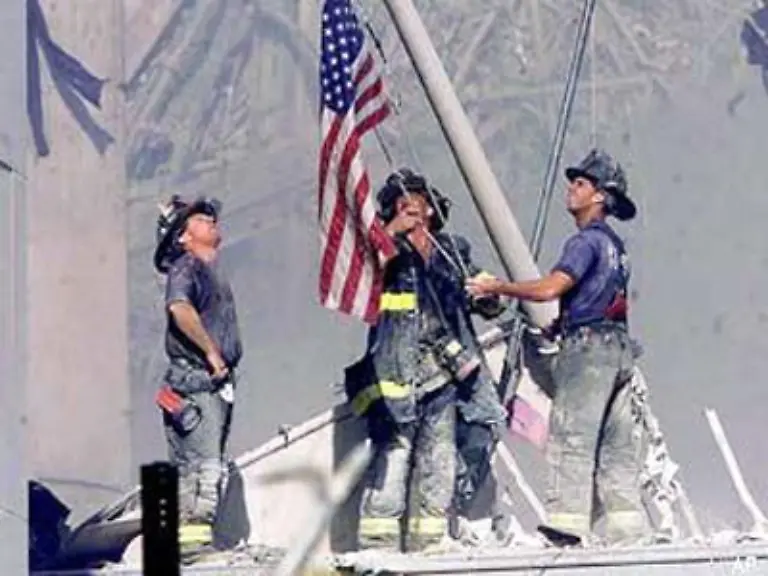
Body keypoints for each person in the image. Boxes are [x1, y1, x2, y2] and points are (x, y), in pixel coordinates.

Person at [467, 149, 647, 545]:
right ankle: (627, 529)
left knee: (572, 437)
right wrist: (561, 323)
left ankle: (568, 524)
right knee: (616, 444)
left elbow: (550, 288)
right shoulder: (617, 246)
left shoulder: (585, 242)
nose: (571, 189)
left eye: (581, 184)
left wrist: (496, 286)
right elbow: (600, 297)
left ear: (599, 196)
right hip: (619, 350)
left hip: (588, 351)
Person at [347, 169, 507, 552]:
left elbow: (486, 296)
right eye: (398, 199)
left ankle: (429, 539)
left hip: (446, 374)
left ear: (431, 208)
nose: (407, 201)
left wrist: (489, 296)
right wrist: (390, 232)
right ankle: (378, 542)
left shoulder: (452, 250)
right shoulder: (384, 251)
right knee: (395, 453)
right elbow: (362, 274)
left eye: (415, 194)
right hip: (395, 373)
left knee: (441, 453)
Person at [153, 195, 242, 554]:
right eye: (200, 219)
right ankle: (191, 551)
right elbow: (180, 308)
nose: (211, 221)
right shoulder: (186, 266)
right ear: (182, 236)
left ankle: (198, 545)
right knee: (200, 471)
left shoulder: (207, 270)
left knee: (210, 468)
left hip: (214, 385)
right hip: (196, 382)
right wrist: (211, 352)